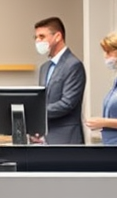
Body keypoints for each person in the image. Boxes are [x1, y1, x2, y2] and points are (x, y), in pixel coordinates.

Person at [34, 16, 86, 144]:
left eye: (42, 37)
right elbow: (43, 100)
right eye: (35, 38)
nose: (37, 41)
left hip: (66, 139)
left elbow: (67, 103)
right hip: (45, 138)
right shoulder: (44, 68)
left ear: (57, 36)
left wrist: (34, 112)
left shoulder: (73, 65)